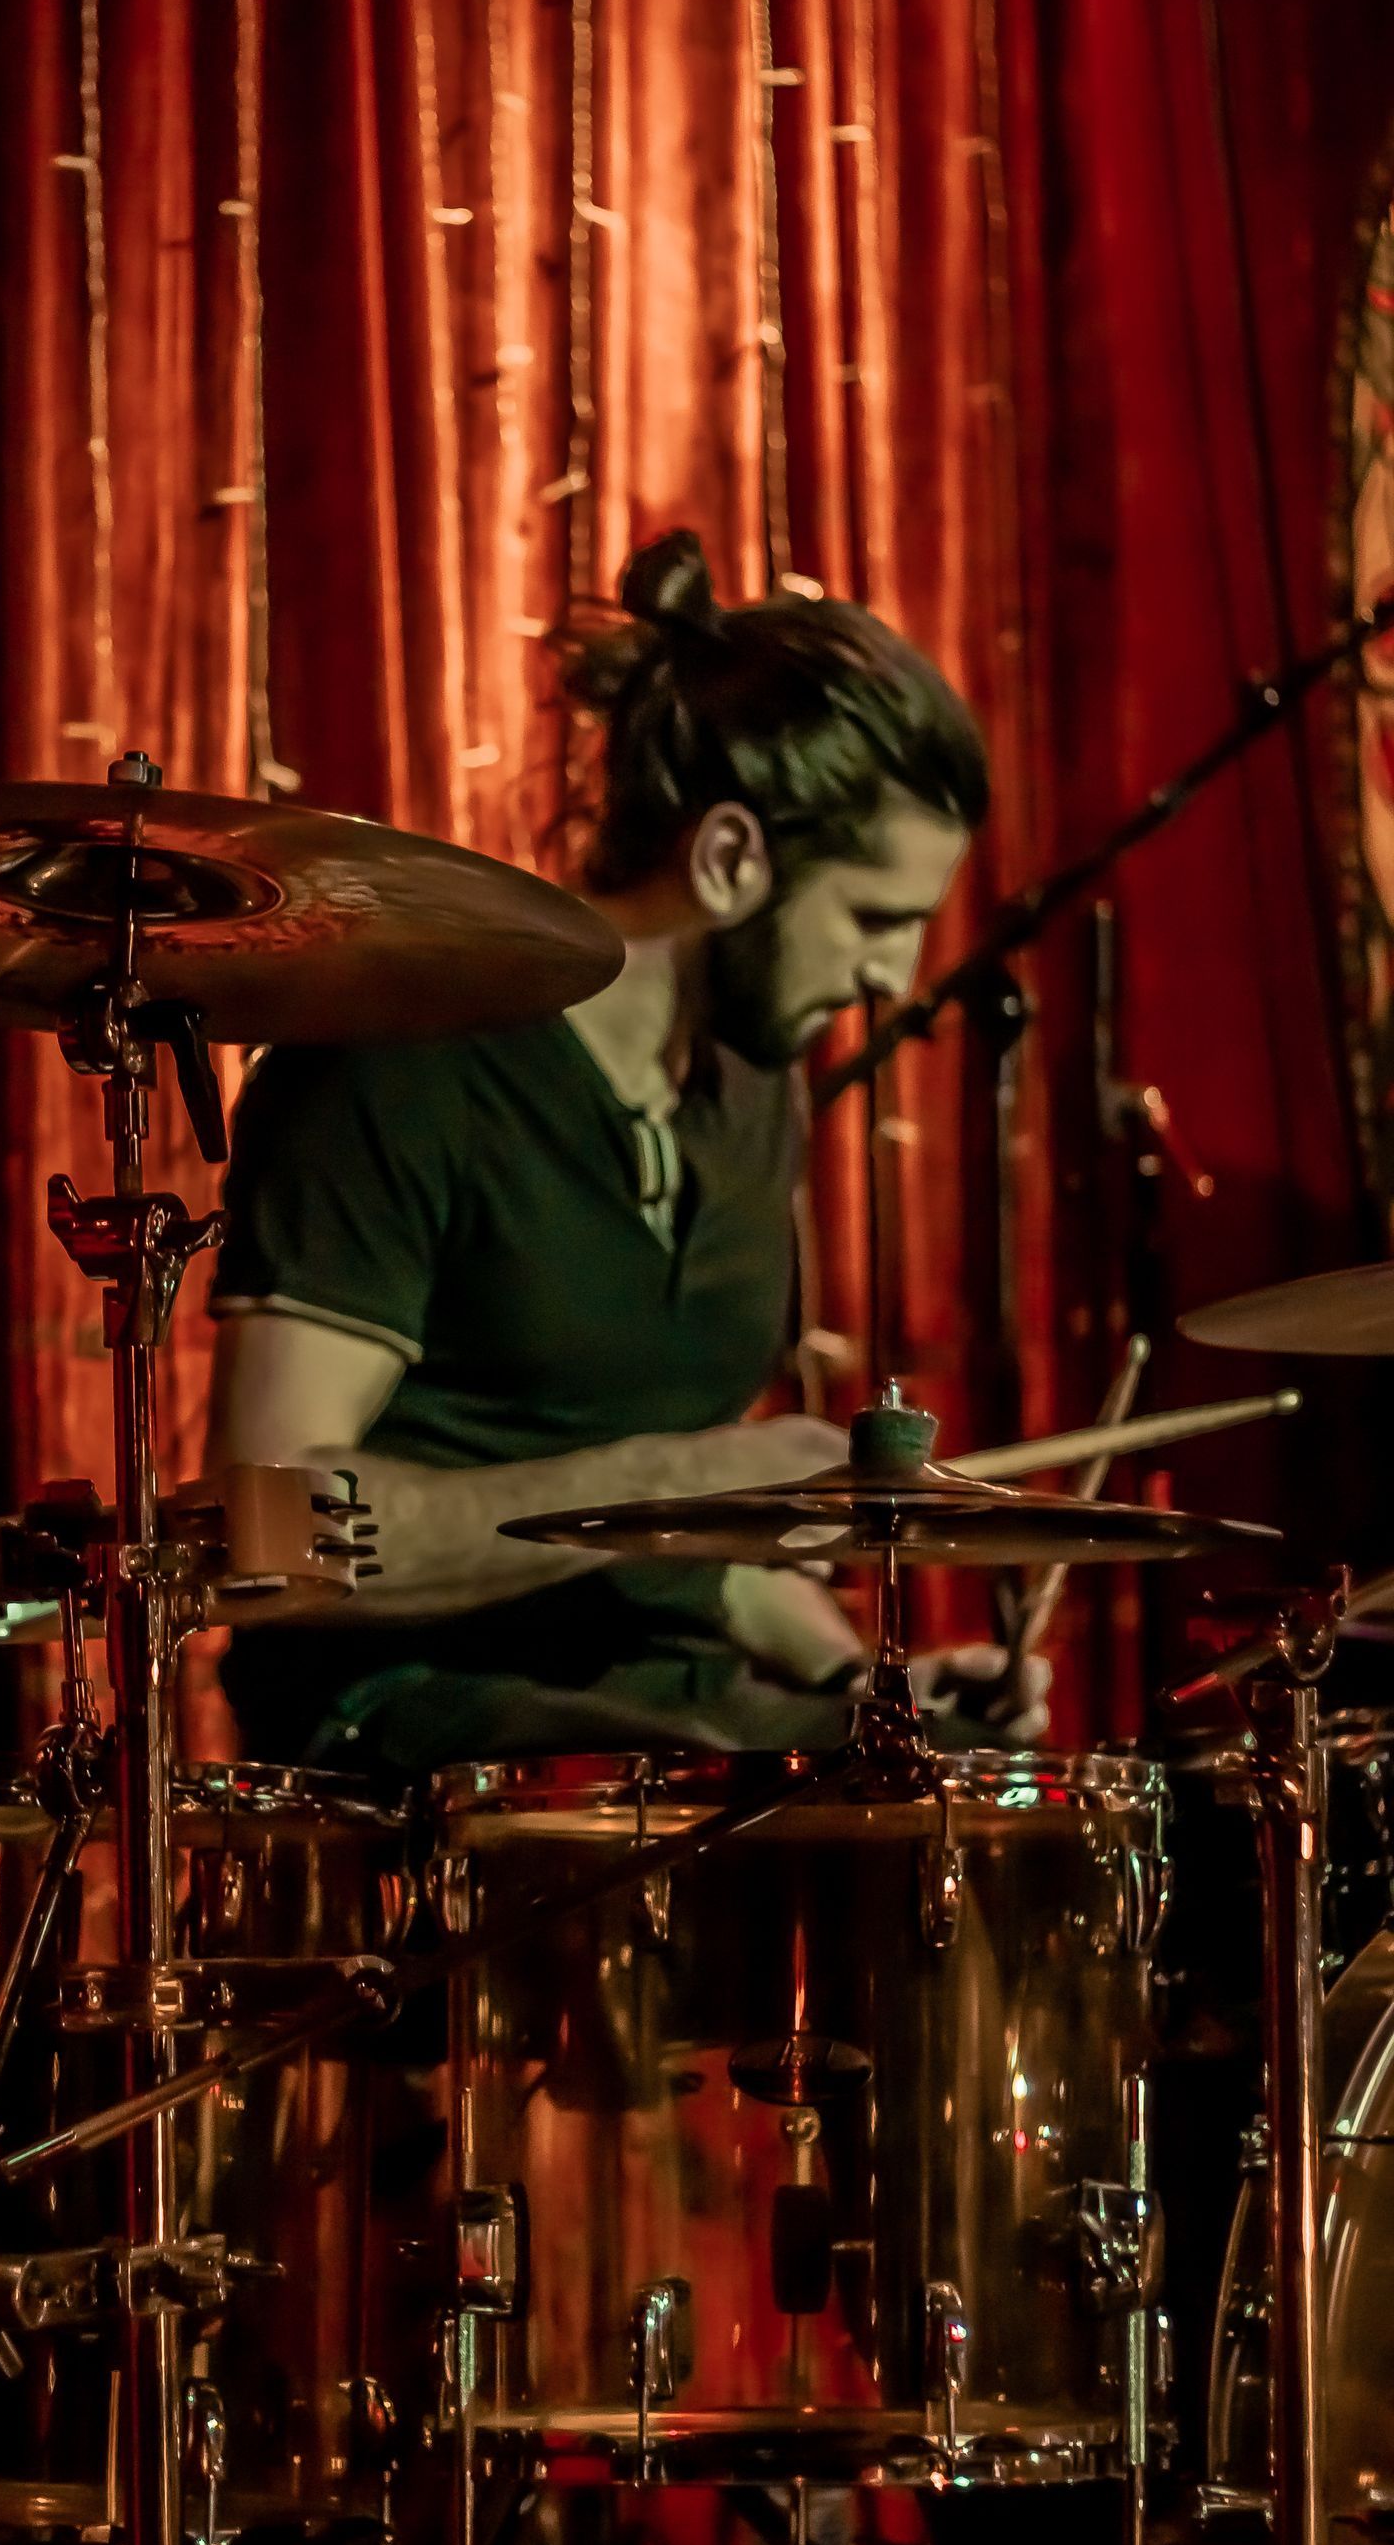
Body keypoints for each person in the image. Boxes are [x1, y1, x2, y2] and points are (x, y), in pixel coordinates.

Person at [204, 530, 1049, 1775]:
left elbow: (685, 1567)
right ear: (726, 858)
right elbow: (260, 1532)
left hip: (675, 1722)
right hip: (415, 1727)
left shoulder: (751, 1088)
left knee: (971, 1797)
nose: (893, 977)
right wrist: (687, 1477)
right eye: (876, 918)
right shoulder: (403, 1066)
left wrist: (858, 1682)